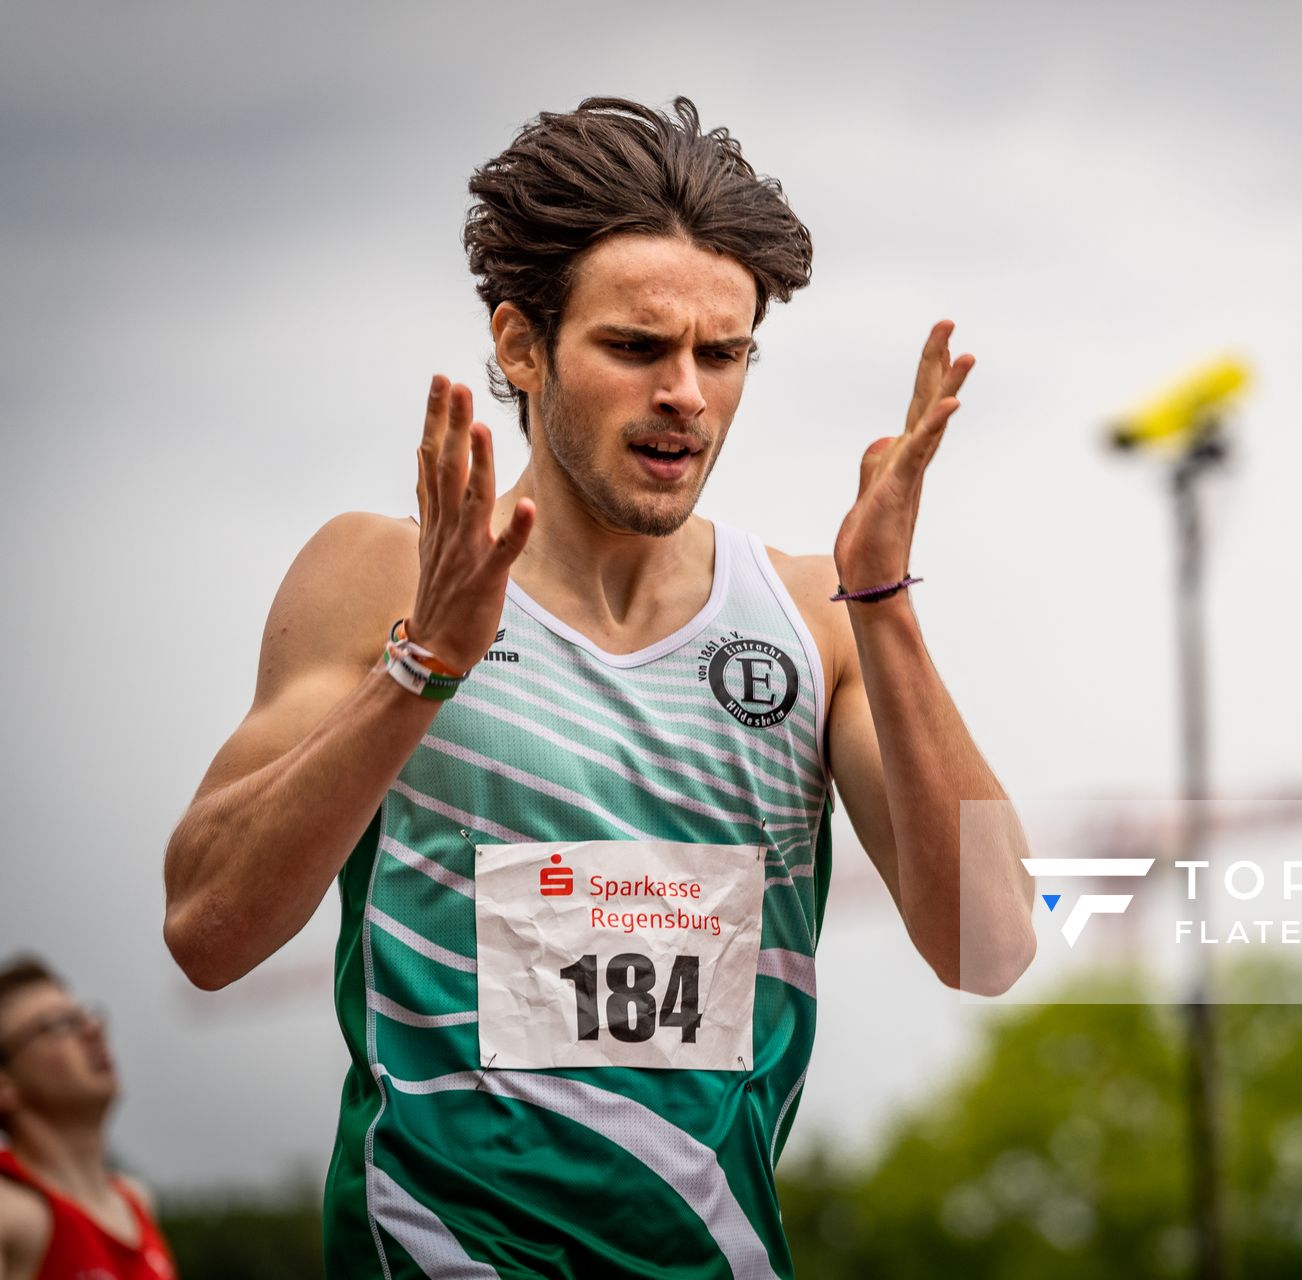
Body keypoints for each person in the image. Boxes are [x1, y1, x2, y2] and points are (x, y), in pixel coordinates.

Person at [161, 95, 1037, 1277]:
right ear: (522, 345)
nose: (686, 391)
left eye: (722, 354)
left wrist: (883, 600)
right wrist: (423, 666)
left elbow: (991, 944)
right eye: (636, 347)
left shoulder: (808, 614)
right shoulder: (381, 574)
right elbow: (207, 930)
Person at [0, 956, 177, 1280]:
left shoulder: (137, 1200)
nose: (93, 1030)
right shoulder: (11, 1216)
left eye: (83, 1017)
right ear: (4, 1084)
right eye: (58, 1024)